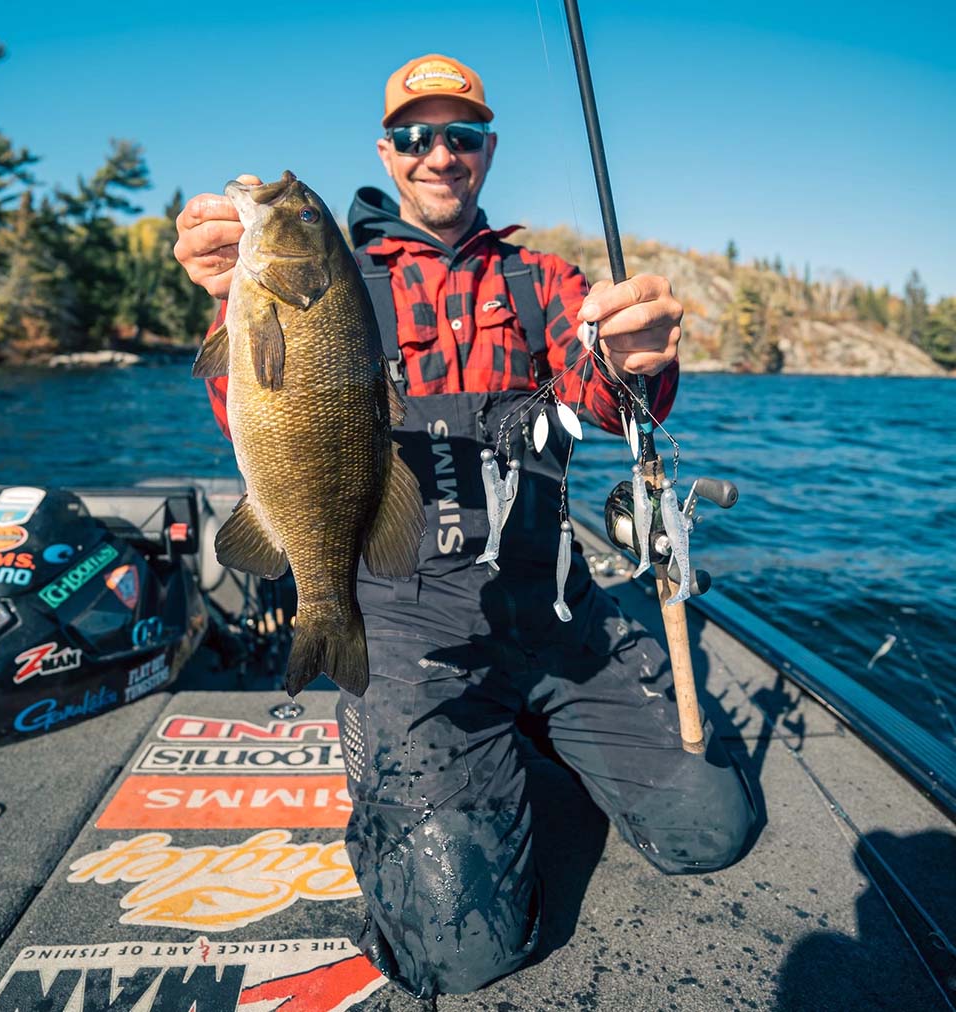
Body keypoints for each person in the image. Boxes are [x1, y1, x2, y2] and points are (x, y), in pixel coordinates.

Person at [175, 53, 754, 999]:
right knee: (462, 951)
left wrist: (639, 363)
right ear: (387, 151)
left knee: (710, 833)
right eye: (414, 136)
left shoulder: (542, 276)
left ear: (486, 151)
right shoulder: (334, 275)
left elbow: (604, 395)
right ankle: (412, 760)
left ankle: (522, 732)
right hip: (404, 611)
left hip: (555, 600)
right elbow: (263, 421)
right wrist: (225, 303)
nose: (438, 154)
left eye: (461, 135)